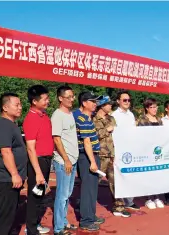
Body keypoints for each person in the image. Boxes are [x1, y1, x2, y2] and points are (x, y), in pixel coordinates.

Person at [0, 93, 27, 235]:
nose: (20, 107)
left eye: (20, 104)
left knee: (10, 216)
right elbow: (6, 152)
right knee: (4, 218)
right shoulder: (4, 126)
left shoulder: (11, 125)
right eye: (16, 105)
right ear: (5, 107)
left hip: (12, 178)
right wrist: (14, 174)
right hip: (6, 179)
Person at [93, 96, 131, 218]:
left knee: (116, 182)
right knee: (93, 182)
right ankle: (84, 205)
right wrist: (106, 130)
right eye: (108, 104)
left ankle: (119, 207)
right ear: (102, 106)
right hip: (99, 155)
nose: (111, 106)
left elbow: (117, 134)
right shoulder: (94, 119)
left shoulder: (112, 118)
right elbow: (93, 135)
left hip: (112, 155)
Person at [23, 85, 53, 235]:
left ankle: (35, 223)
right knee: (34, 196)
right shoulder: (31, 119)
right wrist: (38, 172)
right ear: (34, 101)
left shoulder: (44, 116)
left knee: (40, 195)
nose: (48, 101)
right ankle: (31, 229)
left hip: (46, 160)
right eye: (45, 99)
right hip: (38, 162)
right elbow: (30, 148)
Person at [51, 85, 81, 235]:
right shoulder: (57, 115)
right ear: (60, 98)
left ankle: (63, 222)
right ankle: (58, 228)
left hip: (72, 160)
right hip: (64, 162)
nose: (72, 99)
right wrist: (66, 159)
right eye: (68, 97)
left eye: (73, 96)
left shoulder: (69, 114)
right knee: (62, 195)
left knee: (67, 194)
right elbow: (56, 139)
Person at [75, 92, 106, 231]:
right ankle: (86, 220)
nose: (95, 104)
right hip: (88, 156)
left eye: (96, 101)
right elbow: (86, 142)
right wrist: (92, 162)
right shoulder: (82, 118)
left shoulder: (80, 115)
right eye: (92, 101)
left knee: (92, 188)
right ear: (84, 103)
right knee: (88, 189)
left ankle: (91, 216)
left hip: (89, 155)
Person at [110, 90, 140, 210]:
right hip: (119, 150)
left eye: (128, 100)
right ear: (118, 101)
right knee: (118, 176)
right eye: (124, 100)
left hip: (131, 149)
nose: (127, 102)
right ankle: (119, 203)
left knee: (131, 175)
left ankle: (130, 201)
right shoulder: (114, 115)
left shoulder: (131, 114)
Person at [136, 98, 165, 209]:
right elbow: (140, 136)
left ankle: (156, 196)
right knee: (148, 175)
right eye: (151, 107)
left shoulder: (159, 119)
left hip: (158, 151)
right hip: (146, 151)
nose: (154, 109)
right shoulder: (142, 119)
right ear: (147, 108)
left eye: (155, 107)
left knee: (157, 175)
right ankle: (148, 198)